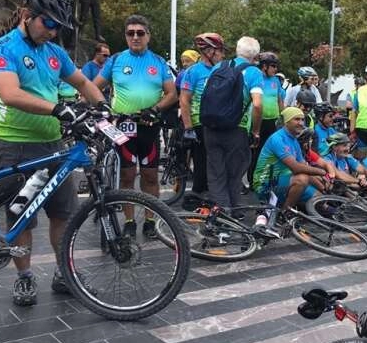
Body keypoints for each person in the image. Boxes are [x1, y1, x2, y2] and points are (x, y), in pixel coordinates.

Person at [0, 0, 105, 306]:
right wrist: (56, 108)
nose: (52, 32)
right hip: (16, 144)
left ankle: (64, 273)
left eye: (58, 27)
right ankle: (25, 276)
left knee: (62, 214)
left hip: (53, 145)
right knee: (21, 216)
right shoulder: (3, 48)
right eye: (48, 23)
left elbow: (83, 82)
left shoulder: (54, 52)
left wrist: (103, 106)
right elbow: (10, 93)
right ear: (27, 14)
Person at [93, 14, 177, 237]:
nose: (135, 37)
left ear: (148, 35)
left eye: (140, 33)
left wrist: (156, 108)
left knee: (150, 176)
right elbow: (93, 86)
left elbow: (172, 93)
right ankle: (129, 221)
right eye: (130, 33)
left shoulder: (158, 62)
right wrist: (97, 106)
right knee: (127, 176)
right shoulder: (116, 60)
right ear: (126, 36)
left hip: (149, 125)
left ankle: (150, 220)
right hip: (123, 126)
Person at [203, 36, 263, 211]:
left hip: (211, 127)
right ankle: (233, 212)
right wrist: (256, 131)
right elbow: (257, 104)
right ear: (255, 55)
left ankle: (221, 212)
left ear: (237, 50)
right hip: (237, 129)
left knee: (216, 173)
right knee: (235, 173)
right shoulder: (254, 72)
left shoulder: (219, 67)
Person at [252, 107, 327, 211]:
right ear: (286, 122)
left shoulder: (294, 141)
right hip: (265, 183)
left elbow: (304, 167)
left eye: (302, 119)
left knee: (319, 199)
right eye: (296, 119)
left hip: (283, 180)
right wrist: (322, 172)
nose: (301, 123)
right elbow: (296, 168)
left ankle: (291, 206)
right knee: (302, 179)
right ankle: (284, 212)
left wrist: (323, 187)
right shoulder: (278, 139)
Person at [179, 33, 226, 196]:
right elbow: (184, 100)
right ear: (209, 51)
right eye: (220, 50)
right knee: (202, 166)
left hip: (221, 124)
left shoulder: (224, 69)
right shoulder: (193, 71)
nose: (223, 55)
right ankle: (198, 197)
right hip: (200, 124)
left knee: (218, 166)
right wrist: (188, 127)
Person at [248, 51, 285, 187]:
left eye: (276, 66)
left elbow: (279, 100)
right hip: (258, 121)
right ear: (264, 66)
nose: (276, 69)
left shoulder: (276, 81)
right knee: (255, 152)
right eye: (273, 66)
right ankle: (252, 181)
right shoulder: (256, 78)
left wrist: (283, 116)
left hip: (272, 122)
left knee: (269, 152)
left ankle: (265, 180)